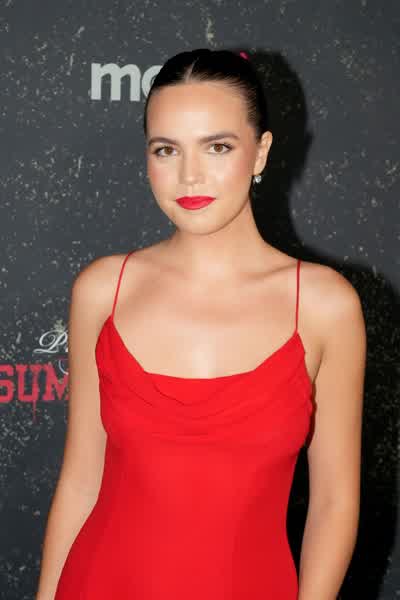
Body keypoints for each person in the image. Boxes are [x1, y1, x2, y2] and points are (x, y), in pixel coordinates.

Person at [36, 48, 366, 600]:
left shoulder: (324, 306)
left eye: (218, 146)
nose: (190, 176)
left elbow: (335, 501)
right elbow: (80, 480)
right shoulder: (104, 290)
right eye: (166, 149)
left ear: (261, 152)